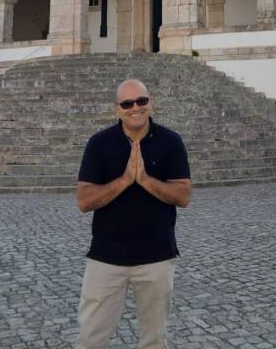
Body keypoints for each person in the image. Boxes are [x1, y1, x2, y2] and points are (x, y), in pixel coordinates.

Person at [76, 78, 192, 349]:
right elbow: (84, 201)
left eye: (141, 100)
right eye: (127, 103)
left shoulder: (171, 142)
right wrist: (125, 180)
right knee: (90, 339)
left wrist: (145, 180)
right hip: (106, 257)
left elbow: (183, 196)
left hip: (156, 258)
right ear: (116, 109)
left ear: (151, 103)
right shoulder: (99, 143)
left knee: (154, 341)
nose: (135, 108)